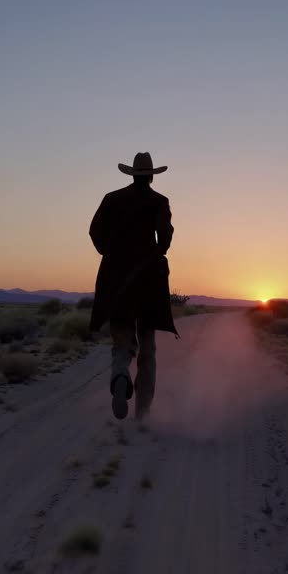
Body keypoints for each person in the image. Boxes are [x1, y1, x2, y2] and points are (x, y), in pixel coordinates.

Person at [88, 152, 178, 420]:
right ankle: (143, 413)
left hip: (115, 279)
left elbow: (95, 231)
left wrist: (110, 252)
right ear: (151, 176)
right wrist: (156, 250)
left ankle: (120, 376)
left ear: (131, 174)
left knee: (122, 342)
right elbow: (165, 237)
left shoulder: (112, 199)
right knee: (148, 348)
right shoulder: (159, 201)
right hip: (148, 279)